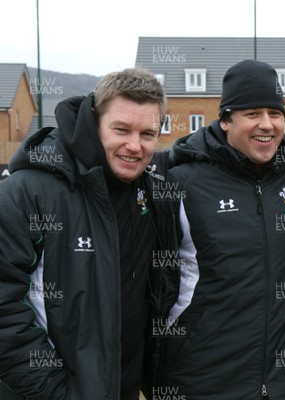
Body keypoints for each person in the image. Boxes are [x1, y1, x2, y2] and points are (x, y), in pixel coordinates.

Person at [145, 59, 285, 399]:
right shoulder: (179, 183)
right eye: (252, 114)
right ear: (225, 120)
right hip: (205, 379)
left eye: (275, 113)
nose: (266, 124)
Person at [0, 68, 169, 399]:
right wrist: (55, 391)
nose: (134, 146)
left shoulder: (148, 189)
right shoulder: (27, 192)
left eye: (147, 134)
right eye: (121, 129)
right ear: (93, 121)